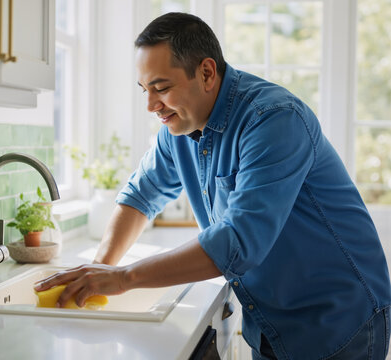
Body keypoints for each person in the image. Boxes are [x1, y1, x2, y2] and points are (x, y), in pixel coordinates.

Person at [35, 12, 391, 359]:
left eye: (161, 88)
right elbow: (140, 196)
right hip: (272, 322)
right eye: (144, 89)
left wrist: (124, 278)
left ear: (206, 72)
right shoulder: (178, 127)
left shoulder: (274, 119)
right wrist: (97, 274)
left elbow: (238, 242)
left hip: (337, 322)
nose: (150, 105)